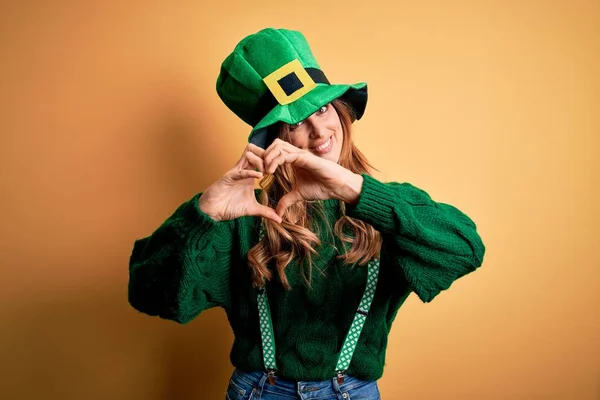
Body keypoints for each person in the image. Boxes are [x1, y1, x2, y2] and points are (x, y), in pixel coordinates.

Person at [128, 28, 486, 400]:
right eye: (296, 122)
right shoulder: (245, 216)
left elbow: (465, 250)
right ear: (275, 138)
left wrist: (353, 190)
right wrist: (202, 215)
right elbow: (148, 295)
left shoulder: (386, 205)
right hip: (260, 392)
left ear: (340, 111)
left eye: (322, 107)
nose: (319, 132)